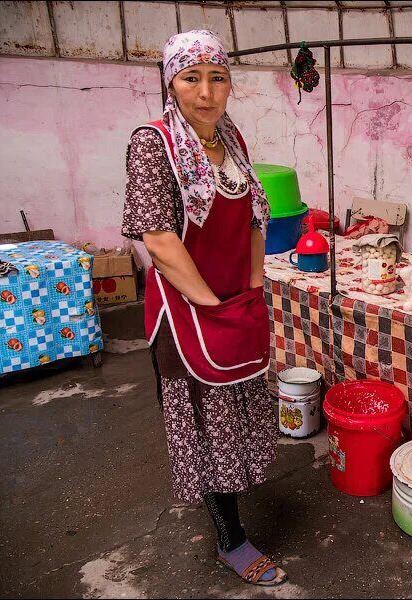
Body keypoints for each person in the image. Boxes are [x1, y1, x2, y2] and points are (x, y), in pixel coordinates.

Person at [121, 30, 285, 586]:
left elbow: (255, 216)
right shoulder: (154, 144)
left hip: (233, 299)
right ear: (171, 83)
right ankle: (230, 540)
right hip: (187, 308)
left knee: (236, 414)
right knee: (206, 426)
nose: (206, 92)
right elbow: (160, 240)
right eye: (192, 78)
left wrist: (255, 283)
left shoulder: (229, 139)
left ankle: (231, 512)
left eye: (218, 78)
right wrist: (211, 303)